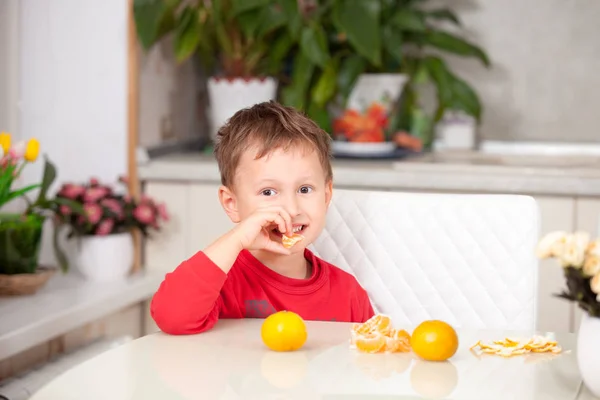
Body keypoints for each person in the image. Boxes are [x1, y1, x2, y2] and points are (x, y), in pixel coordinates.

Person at [150, 101, 374, 335]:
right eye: (268, 192)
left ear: (326, 195)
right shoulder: (223, 285)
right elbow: (171, 317)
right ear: (232, 204)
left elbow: (367, 364)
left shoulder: (348, 293)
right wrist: (236, 239)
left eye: (305, 189)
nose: (291, 208)